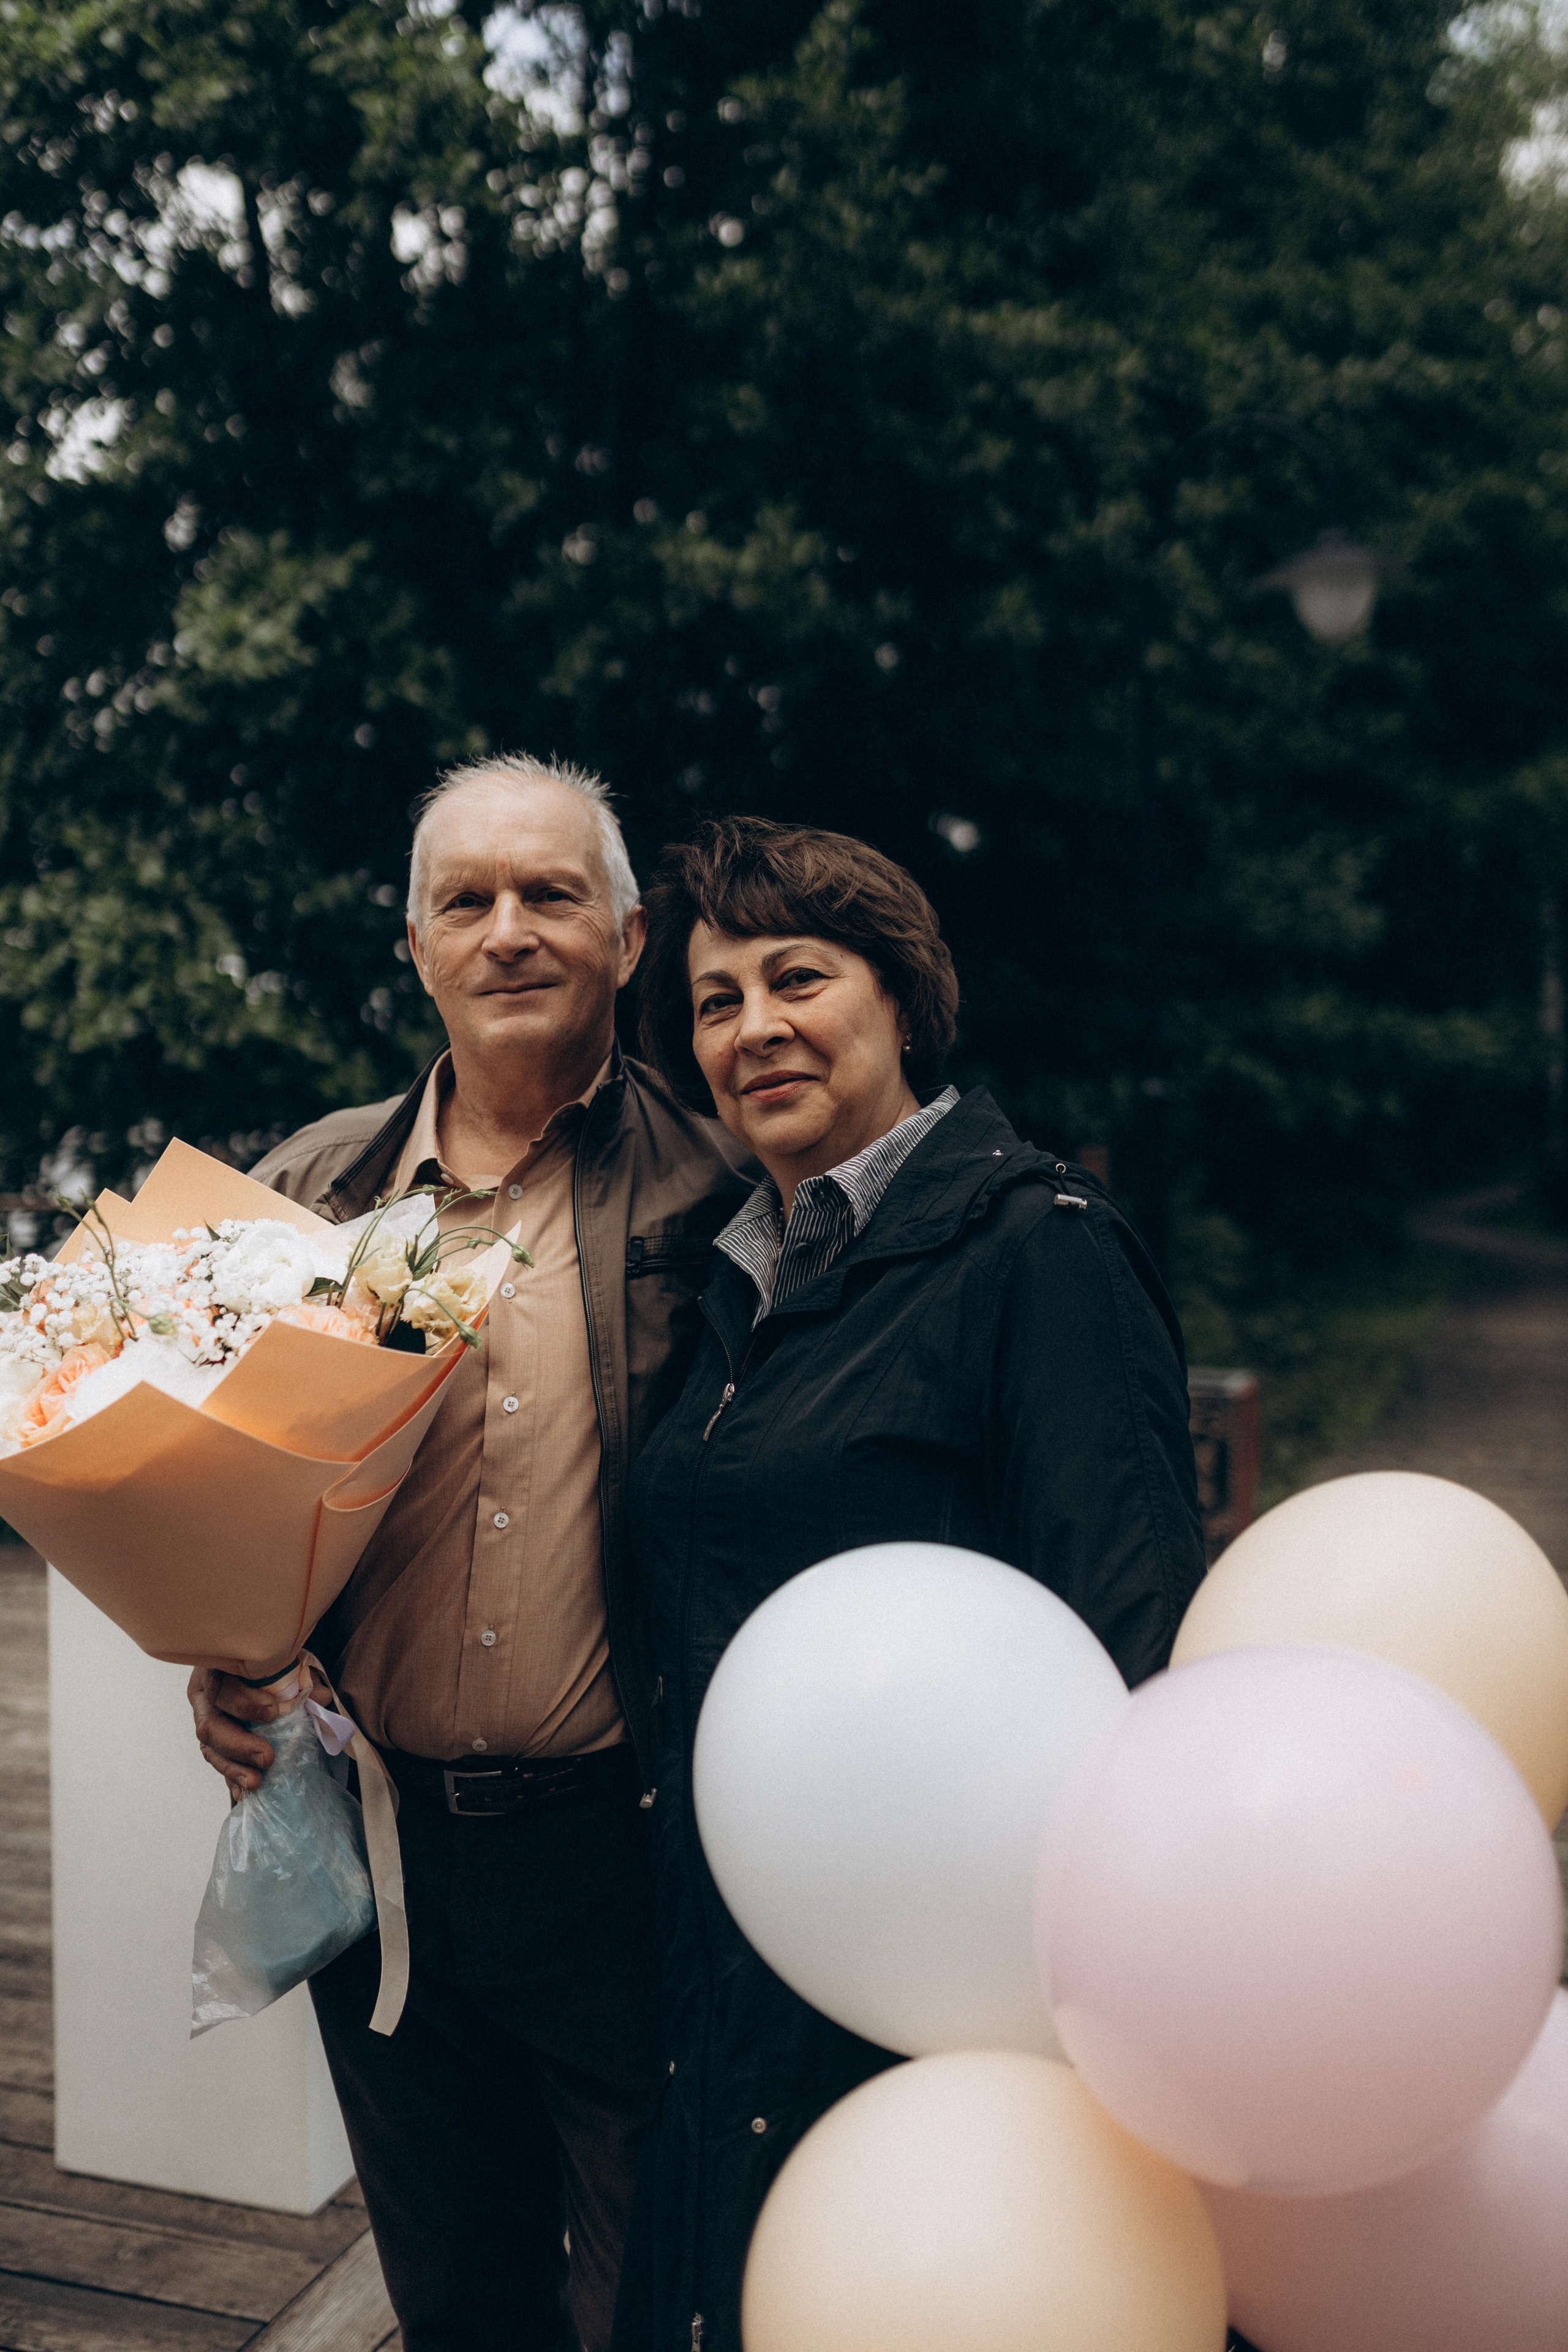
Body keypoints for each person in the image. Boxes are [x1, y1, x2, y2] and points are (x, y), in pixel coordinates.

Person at [611, 816, 1207, 2352]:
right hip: (717, 1971)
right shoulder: (728, 1283)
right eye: (715, 1000)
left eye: (795, 977)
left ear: (899, 998)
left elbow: (1138, 1652)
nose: (754, 1029)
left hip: (930, 1996)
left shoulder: (1036, 1252)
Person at [188, 756, 752, 2352]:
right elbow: (217, 1491)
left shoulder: (727, 1208)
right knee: (461, 2314)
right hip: (385, 1866)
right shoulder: (305, 1192)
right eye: (468, 901)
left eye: (552, 895)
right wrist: (224, 1655)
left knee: (660, 2308)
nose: (510, 931)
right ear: (416, 950)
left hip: (628, 1863)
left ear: (631, 938)